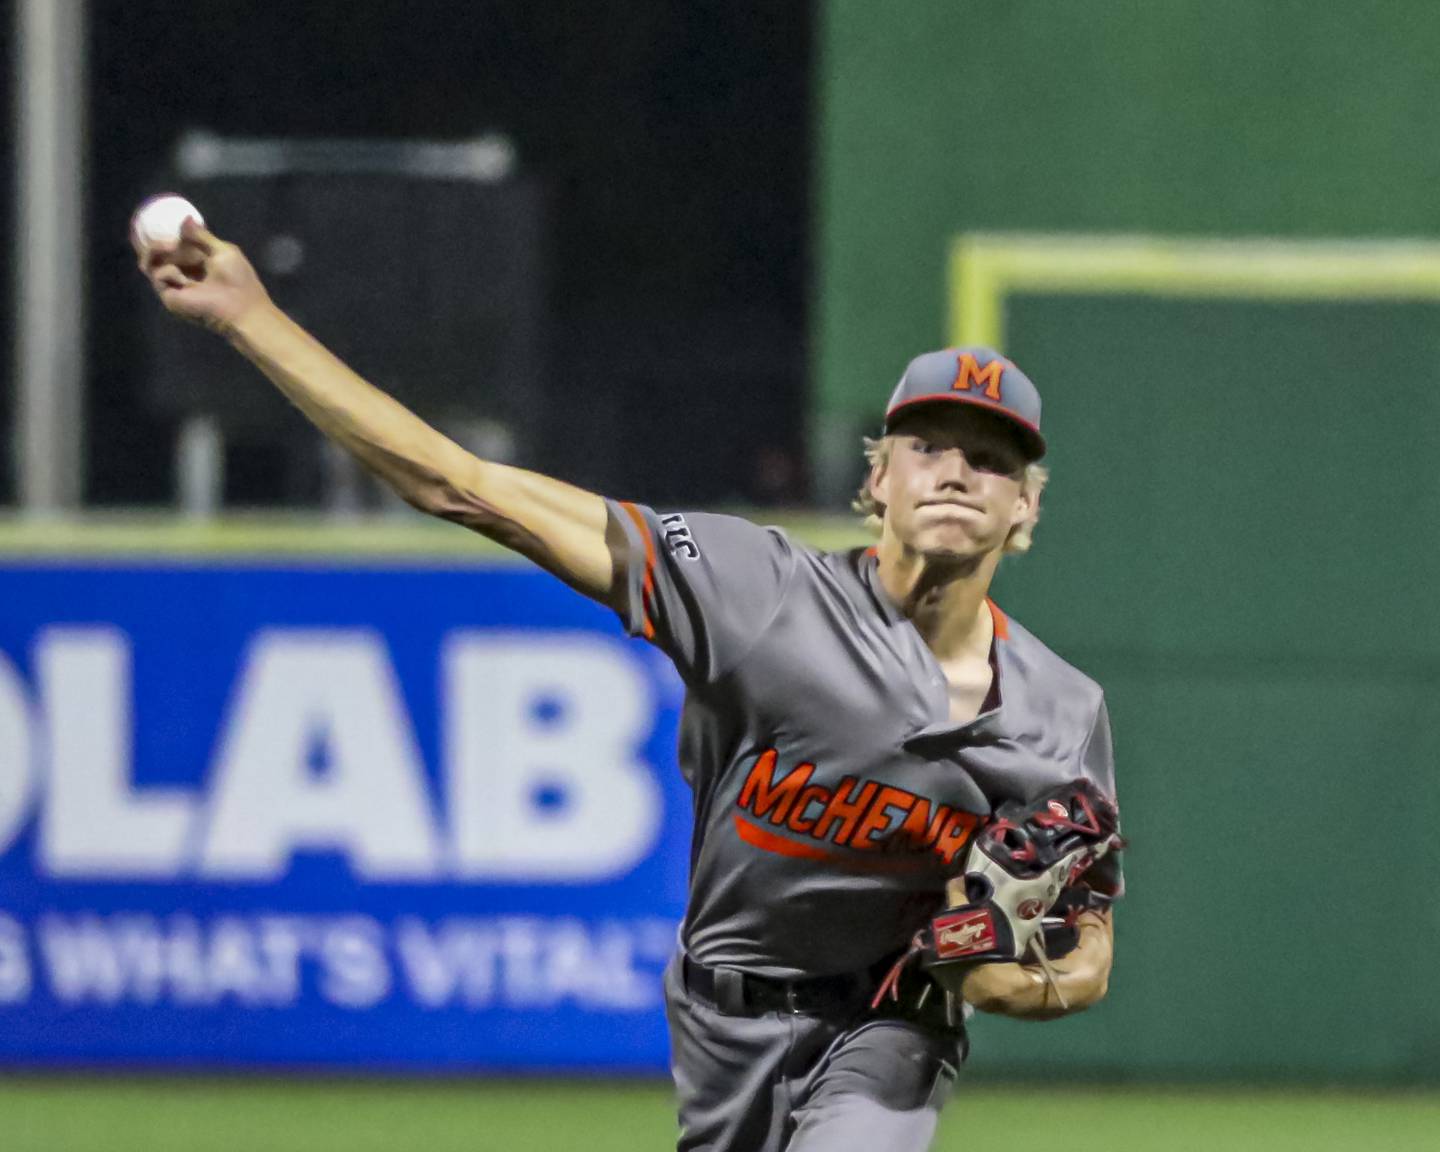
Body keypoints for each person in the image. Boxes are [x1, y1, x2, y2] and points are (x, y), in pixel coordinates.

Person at [137, 219, 1121, 1152]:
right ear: (878, 482)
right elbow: (464, 485)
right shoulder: (757, 594)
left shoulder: (1060, 713)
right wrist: (248, 316)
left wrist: (1010, 982)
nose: (956, 473)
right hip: (722, 1015)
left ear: (1027, 506)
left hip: (893, 1023)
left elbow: (1086, 950)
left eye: (991, 461)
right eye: (929, 448)